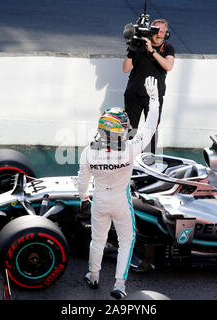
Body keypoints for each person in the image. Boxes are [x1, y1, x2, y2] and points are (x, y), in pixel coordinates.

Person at [77, 76, 160, 299]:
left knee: (98, 240)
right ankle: (119, 285)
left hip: (99, 201)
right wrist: (154, 100)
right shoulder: (130, 149)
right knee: (127, 241)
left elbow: (82, 182)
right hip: (121, 202)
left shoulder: (88, 152)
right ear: (118, 130)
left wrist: (84, 197)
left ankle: (93, 276)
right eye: (123, 126)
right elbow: (150, 128)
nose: (126, 128)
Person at [123, 19, 174, 154]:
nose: (158, 35)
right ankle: (128, 159)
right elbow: (126, 69)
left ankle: (149, 160)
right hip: (133, 94)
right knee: (130, 129)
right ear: (151, 32)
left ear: (166, 33)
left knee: (151, 130)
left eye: (162, 32)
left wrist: (152, 51)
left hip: (154, 97)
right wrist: (132, 50)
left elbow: (168, 66)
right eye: (156, 31)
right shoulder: (140, 45)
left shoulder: (168, 47)